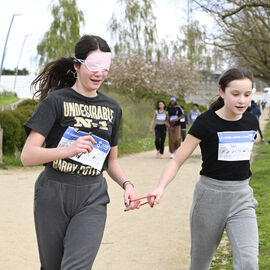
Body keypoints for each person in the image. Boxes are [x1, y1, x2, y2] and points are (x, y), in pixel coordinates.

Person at [20, 35, 140, 270]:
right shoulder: (56, 101)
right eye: (93, 67)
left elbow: (111, 161)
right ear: (77, 65)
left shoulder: (112, 108)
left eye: (105, 68)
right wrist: (67, 150)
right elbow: (28, 155)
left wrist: (127, 185)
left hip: (92, 196)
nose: (100, 74)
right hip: (53, 193)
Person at [148, 68, 259, 270]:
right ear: (222, 92)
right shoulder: (206, 122)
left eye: (247, 94)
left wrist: (243, 184)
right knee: (200, 265)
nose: (242, 100)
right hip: (209, 199)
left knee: (249, 263)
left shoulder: (251, 120)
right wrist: (160, 187)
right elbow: (176, 160)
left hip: (242, 198)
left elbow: (247, 156)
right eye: (235, 94)